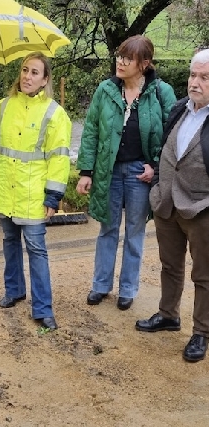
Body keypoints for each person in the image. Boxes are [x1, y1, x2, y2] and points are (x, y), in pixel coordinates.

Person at [76, 35, 176, 310]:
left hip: (139, 175)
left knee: (134, 232)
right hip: (108, 170)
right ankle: (100, 285)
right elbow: (92, 131)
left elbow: (172, 133)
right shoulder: (106, 90)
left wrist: (155, 166)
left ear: (144, 64)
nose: (120, 62)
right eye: (119, 56)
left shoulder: (160, 92)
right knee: (107, 229)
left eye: (127, 58)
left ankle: (128, 289)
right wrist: (86, 171)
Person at [0, 52, 72, 331]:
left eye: (34, 72)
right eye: (24, 70)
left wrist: (53, 196)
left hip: (33, 194)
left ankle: (43, 308)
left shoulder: (55, 114)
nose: (27, 76)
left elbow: (59, 159)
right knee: (9, 241)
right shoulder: (3, 106)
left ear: (45, 80)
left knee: (36, 249)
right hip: (6, 188)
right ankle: (14, 290)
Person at [135, 49, 209, 363]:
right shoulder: (180, 108)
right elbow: (167, 148)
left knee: (204, 276)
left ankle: (202, 332)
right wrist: (156, 178)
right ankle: (168, 314)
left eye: (204, 78)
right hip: (167, 202)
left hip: (202, 209)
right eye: (193, 75)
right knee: (170, 265)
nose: (195, 82)